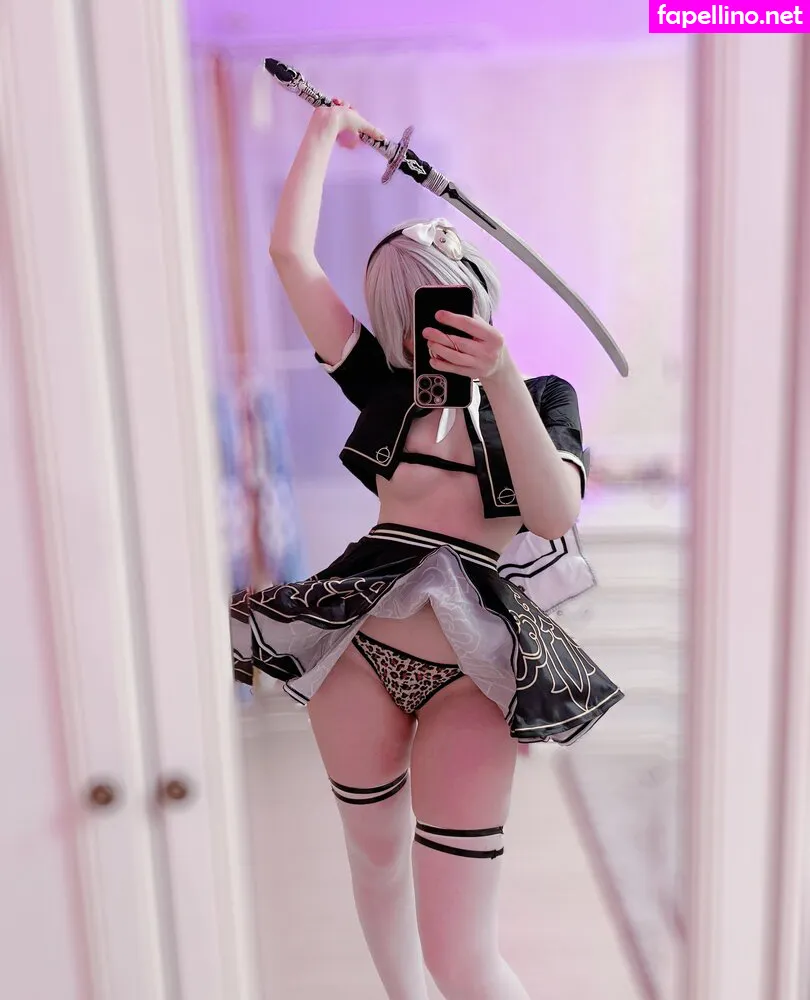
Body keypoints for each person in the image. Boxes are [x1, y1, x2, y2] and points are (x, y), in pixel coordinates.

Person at [230, 98, 624, 1000]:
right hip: (360, 656)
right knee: (375, 869)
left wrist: (501, 377)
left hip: (473, 679)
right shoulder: (383, 386)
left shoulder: (542, 395)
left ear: (478, 294)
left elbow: (552, 511)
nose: (424, 323)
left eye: (442, 298)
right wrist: (321, 134)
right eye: (404, 306)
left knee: (462, 950)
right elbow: (290, 257)